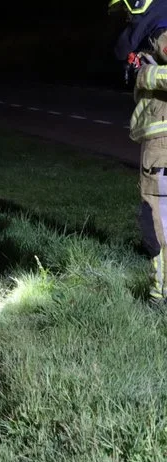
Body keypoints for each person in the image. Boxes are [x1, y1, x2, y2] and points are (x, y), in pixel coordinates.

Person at [111, 0, 167, 303]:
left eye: (124, 14)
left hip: (163, 148)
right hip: (158, 146)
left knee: (157, 226)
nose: (123, 23)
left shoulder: (163, 33)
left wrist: (146, 74)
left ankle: (161, 299)